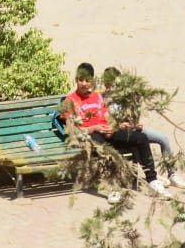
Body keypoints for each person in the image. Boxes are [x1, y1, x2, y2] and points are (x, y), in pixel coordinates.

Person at [63, 63, 171, 199]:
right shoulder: (70, 101)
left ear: (92, 80)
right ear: (76, 79)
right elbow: (72, 130)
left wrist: (117, 126)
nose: (84, 84)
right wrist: (94, 128)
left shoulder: (97, 97)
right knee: (105, 148)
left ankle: (153, 180)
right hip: (90, 136)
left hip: (108, 132)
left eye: (87, 80)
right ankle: (113, 188)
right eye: (81, 80)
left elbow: (107, 116)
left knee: (141, 138)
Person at [100, 67, 185, 189]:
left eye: (116, 83)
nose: (113, 86)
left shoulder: (124, 98)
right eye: (110, 82)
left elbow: (132, 116)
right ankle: (153, 175)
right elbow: (105, 121)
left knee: (163, 138)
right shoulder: (101, 99)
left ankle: (172, 173)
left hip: (132, 129)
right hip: (119, 134)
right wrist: (119, 126)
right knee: (136, 143)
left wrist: (136, 124)